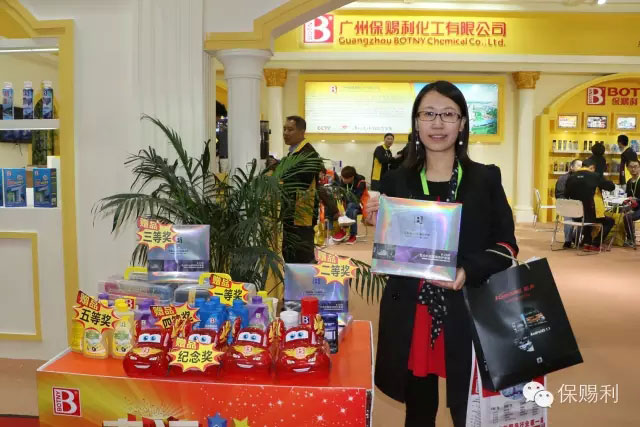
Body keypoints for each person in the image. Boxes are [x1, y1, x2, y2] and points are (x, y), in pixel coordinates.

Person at [366, 81, 518, 427]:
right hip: (413, 311)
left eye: (448, 114)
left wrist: (467, 270)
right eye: (429, 114)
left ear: (462, 123)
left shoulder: (485, 179)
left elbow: (506, 247)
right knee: (418, 411)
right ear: (416, 122)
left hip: (469, 309)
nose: (438, 124)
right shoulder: (396, 181)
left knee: (468, 410)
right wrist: (380, 223)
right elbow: (392, 250)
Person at [281, 115, 323, 263]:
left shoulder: (308, 153)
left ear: (301, 132)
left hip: (302, 212)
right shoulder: (294, 152)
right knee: (291, 253)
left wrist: (281, 177)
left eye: (290, 129)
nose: (285, 133)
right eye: (284, 129)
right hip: (292, 211)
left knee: (302, 255)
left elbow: (301, 183)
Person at [565, 157, 615, 251]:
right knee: (609, 221)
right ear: (592, 168)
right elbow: (611, 187)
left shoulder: (571, 178)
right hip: (590, 215)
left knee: (588, 214)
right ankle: (595, 244)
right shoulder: (595, 176)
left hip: (575, 216)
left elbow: (566, 195)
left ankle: (587, 242)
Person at [331, 166, 366, 245]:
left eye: (346, 179)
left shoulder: (361, 182)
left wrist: (346, 199)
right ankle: (352, 235)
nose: (343, 180)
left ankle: (344, 231)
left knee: (351, 207)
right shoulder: (343, 181)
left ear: (352, 177)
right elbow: (341, 194)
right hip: (348, 205)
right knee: (351, 210)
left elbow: (357, 198)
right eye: (342, 178)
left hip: (360, 204)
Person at [555, 158, 582, 248]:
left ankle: (576, 238)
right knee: (569, 217)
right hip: (567, 206)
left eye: (582, 166)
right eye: (579, 165)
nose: (581, 167)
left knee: (588, 217)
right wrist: (570, 204)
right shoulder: (563, 178)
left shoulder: (583, 178)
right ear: (571, 167)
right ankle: (568, 241)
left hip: (580, 206)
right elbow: (559, 195)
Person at [622, 159, 640, 246]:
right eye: (631, 167)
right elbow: (628, 196)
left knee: (628, 216)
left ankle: (630, 239)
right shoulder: (629, 182)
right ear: (627, 168)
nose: (633, 169)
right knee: (624, 214)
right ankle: (630, 238)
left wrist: (636, 199)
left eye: (635, 167)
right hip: (634, 207)